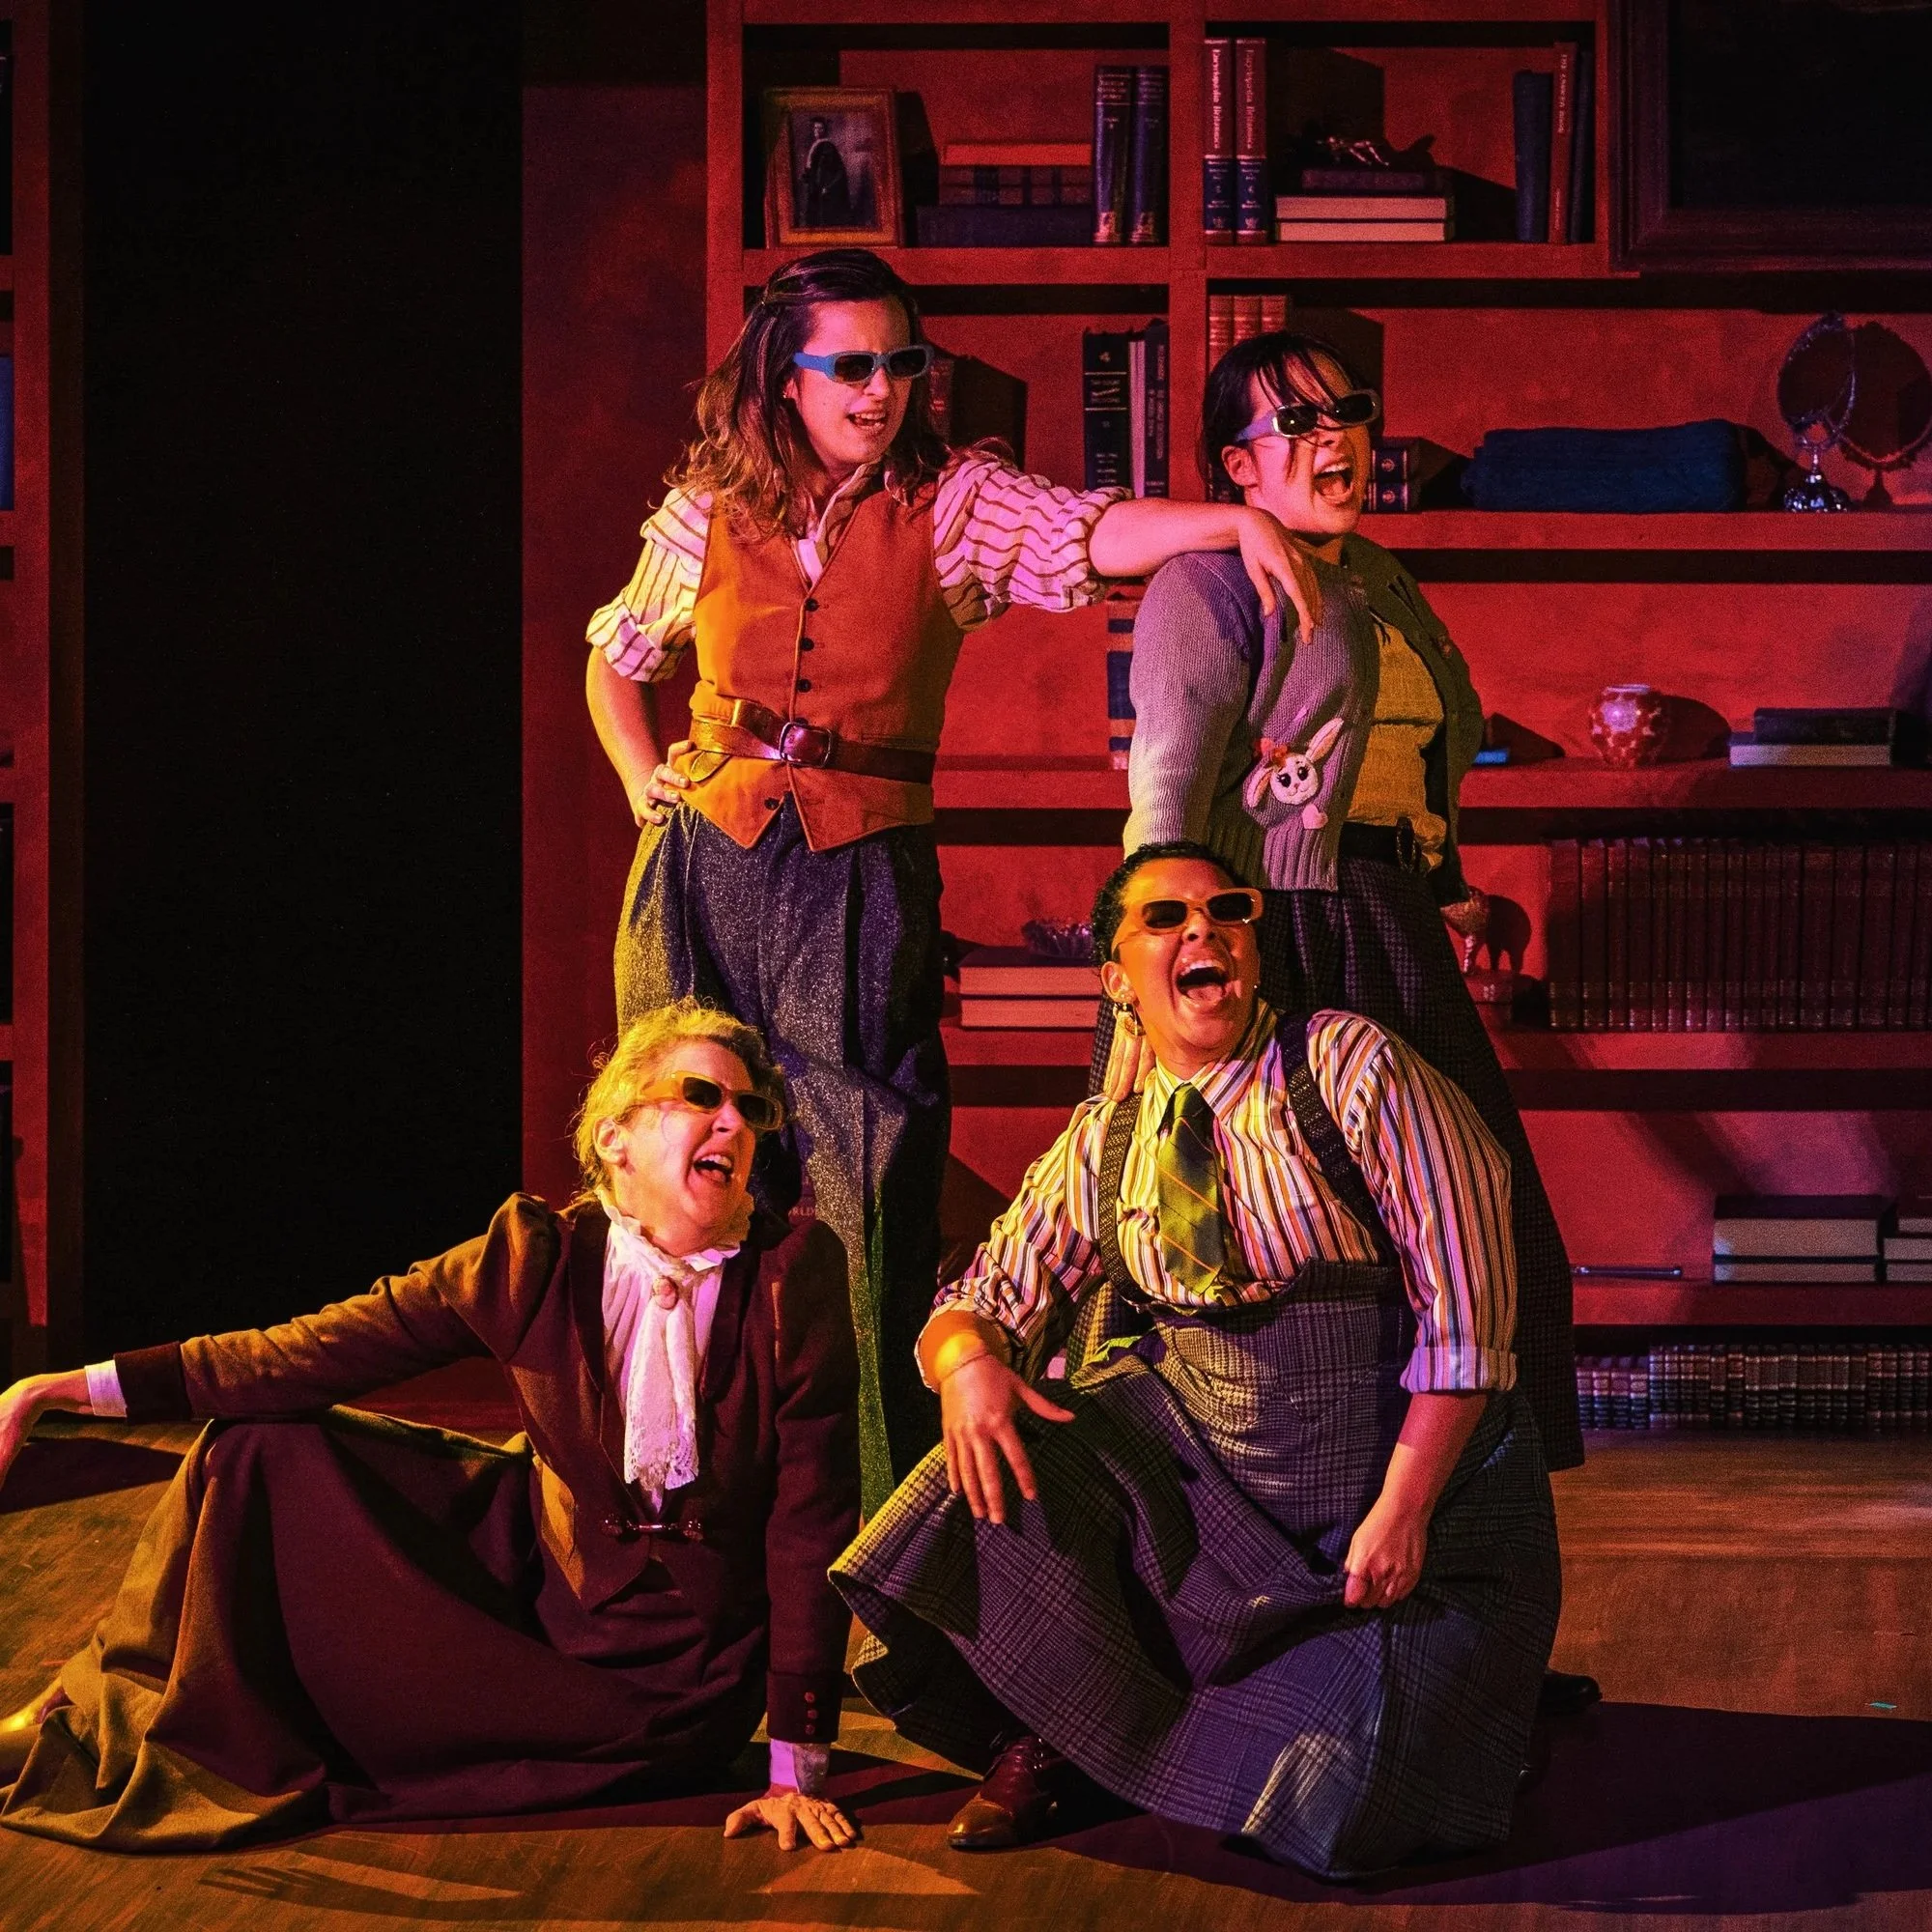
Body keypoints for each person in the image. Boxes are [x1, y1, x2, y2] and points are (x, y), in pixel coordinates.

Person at [584, 245, 1322, 1512]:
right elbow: (617, 654)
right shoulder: (711, 509)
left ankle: (860, 1515)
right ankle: (668, 1489)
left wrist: (1235, 520)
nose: (880, 390)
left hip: (857, 875)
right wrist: (640, 776)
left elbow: (1091, 531)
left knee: (860, 1182)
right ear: (786, 377)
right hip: (699, 864)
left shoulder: (952, 504)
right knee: (670, 1165)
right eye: (850, 367)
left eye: (900, 363)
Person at [834, 844, 1562, 1881]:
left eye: (1225, 909)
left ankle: (1445, 1719)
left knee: (1347, 1807)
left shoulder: (1348, 1067)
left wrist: (1404, 1508)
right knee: (974, 1472)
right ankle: (1063, 1734)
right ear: (1115, 977)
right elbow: (982, 1298)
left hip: (1385, 1493)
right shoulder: (1106, 1138)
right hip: (1206, 1496)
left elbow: (1468, 1312)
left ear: (1253, 948)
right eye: (1164, 917)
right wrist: (967, 1367)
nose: (1202, 928)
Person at [0, 1004, 863, 1855]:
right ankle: (96, 1708)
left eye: (751, 1109)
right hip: (540, 1604)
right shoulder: (537, 1257)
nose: (733, 1124)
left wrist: (797, 1767)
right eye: (701, 1096)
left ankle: (92, 1718)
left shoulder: (791, 1276)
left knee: (378, 1729)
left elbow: (810, 1520)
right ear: (616, 1137)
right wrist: (68, 1388)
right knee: (255, 1449)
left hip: (680, 1681)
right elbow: (311, 1351)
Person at [1100, 330, 1586, 1494]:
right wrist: (1158, 964)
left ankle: (1470, 1533)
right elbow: (1164, 792)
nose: (1337, 439)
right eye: (1297, 422)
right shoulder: (1205, 584)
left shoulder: (1377, 575)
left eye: (1349, 412)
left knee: (1475, 1221)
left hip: (1387, 919)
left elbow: (1400, 760)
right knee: (1306, 1238)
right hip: (1279, 931)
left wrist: (1444, 881)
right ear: (1236, 465)